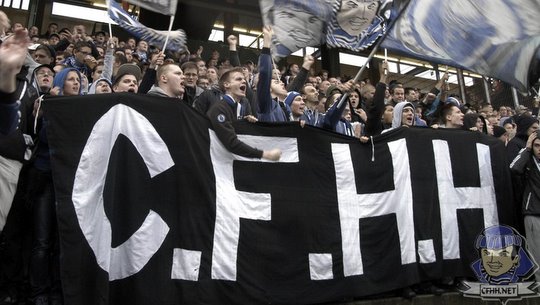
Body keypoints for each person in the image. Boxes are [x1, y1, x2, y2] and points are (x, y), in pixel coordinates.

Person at [207, 67, 281, 161]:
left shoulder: (241, 107)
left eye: (244, 79)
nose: (244, 81)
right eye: (238, 79)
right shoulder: (219, 109)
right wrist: (265, 154)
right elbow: (231, 143)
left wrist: (244, 123)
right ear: (226, 84)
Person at [510, 132, 540, 282]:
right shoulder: (528, 161)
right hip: (533, 211)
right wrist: (527, 149)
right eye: (537, 145)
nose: (539, 149)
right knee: (537, 253)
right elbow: (514, 168)